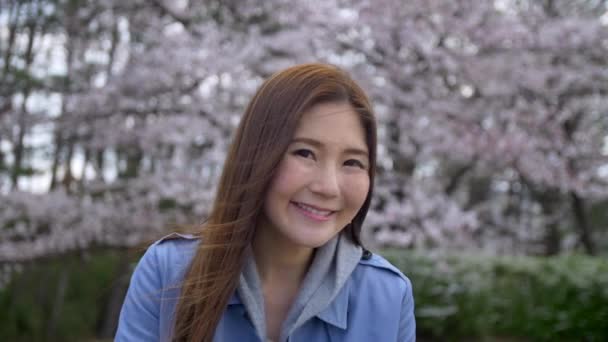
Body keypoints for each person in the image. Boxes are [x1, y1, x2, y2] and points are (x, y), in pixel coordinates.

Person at [115, 63, 415, 342]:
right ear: (258, 154)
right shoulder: (169, 271)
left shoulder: (388, 297)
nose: (328, 187)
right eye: (304, 153)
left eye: (352, 162)